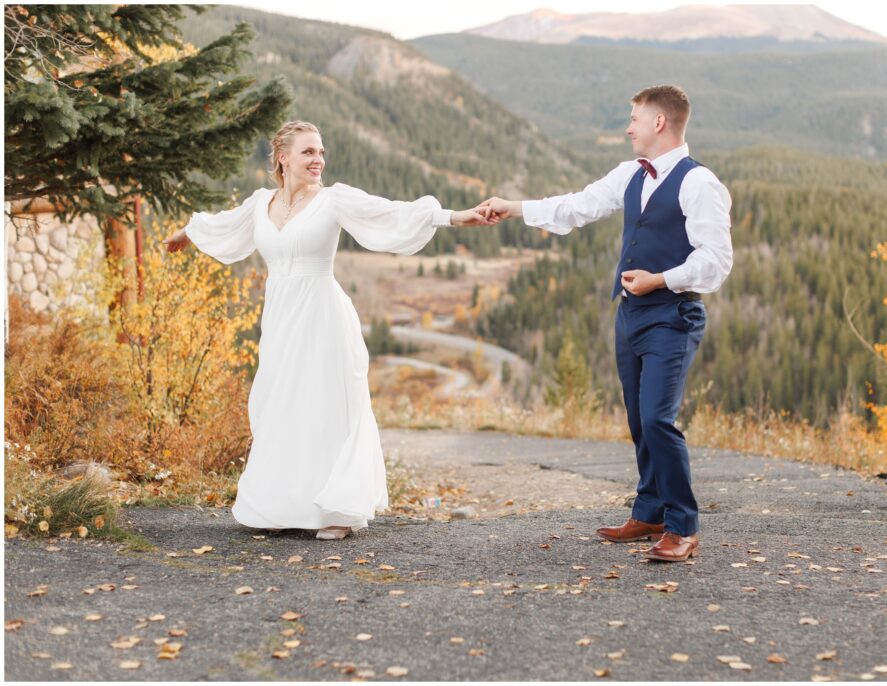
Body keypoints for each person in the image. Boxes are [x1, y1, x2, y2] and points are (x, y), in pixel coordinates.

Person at [164, 120, 494, 539]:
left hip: (323, 314)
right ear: (283, 157)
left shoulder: (334, 201)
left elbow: (391, 211)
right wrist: (186, 232)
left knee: (328, 404)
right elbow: (223, 224)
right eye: (308, 152)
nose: (318, 159)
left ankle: (338, 511)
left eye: (320, 152)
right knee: (282, 403)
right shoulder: (259, 204)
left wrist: (455, 217)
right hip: (281, 319)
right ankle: (284, 507)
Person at [481, 85, 732, 562]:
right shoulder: (629, 174)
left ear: (659, 122)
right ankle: (651, 511)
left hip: (673, 316)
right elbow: (576, 206)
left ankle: (683, 526)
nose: (628, 126)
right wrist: (512, 207)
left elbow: (717, 262)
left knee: (659, 418)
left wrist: (661, 278)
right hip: (630, 314)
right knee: (639, 419)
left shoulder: (701, 184)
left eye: (634, 117)